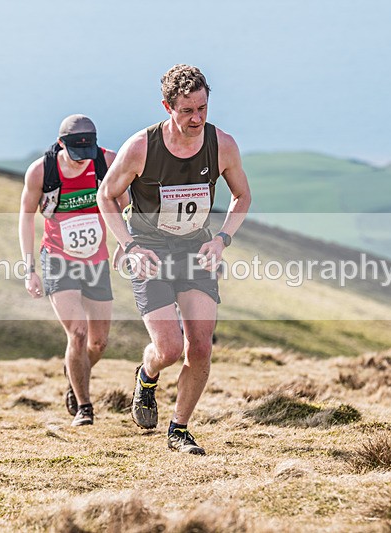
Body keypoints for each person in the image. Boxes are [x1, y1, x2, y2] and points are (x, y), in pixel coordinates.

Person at [97, 65, 251, 454]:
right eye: (187, 111)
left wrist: (222, 239)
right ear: (167, 106)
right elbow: (106, 195)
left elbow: (242, 196)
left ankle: (179, 429)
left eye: (203, 108)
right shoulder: (141, 147)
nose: (197, 118)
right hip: (151, 252)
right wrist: (129, 244)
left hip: (197, 251)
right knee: (168, 348)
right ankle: (147, 376)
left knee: (199, 347)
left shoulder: (223, 145)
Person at [19, 114, 124, 427]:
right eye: (76, 156)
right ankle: (84, 406)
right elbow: (26, 216)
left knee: (98, 343)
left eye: (86, 155)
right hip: (58, 258)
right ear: (61, 144)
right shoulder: (41, 171)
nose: (82, 162)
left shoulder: (107, 161)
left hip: (96, 260)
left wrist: (126, 240)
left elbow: (126, 202)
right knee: (77, 333)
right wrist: (29, 269)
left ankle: (74, 372)